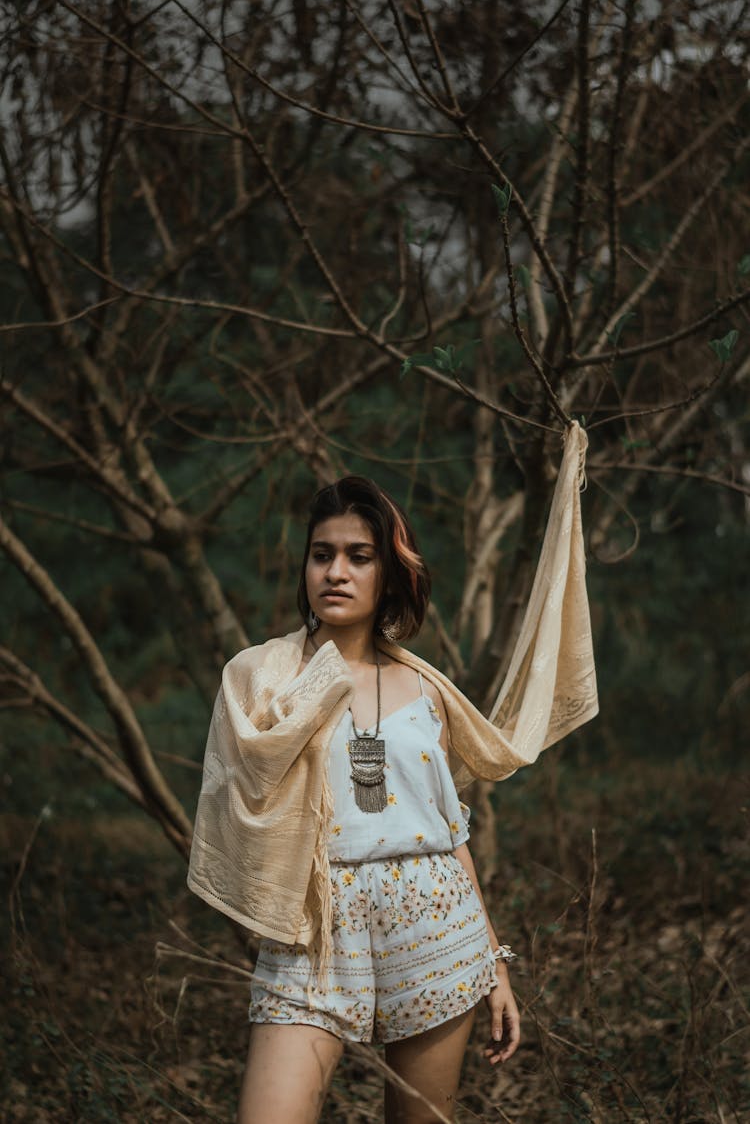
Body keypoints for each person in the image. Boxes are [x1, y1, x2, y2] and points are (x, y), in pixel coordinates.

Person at [187, 427, 598, 1123]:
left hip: (435, 923)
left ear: (389, 572)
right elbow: (242, 798)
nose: (336, 572)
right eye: (322, 555)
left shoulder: (423, 688)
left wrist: (493, 959)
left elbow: (449, 831)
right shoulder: (264, 676)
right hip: (314, 933)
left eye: (358, 556)